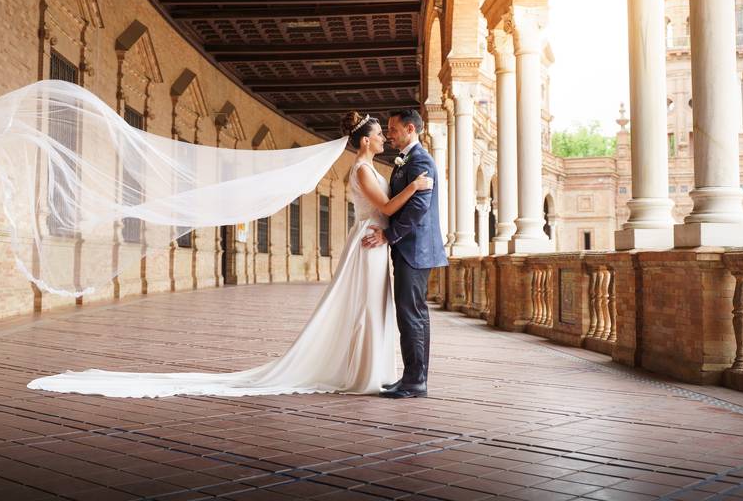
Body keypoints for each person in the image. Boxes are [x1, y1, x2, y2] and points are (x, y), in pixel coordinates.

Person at [27, 111, 432, 397]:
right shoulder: (363, 168)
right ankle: (364, 372)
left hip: (374, 240)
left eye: (388, 132)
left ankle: (373, 371)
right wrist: (415, 187)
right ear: (366, 140)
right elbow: (389, 207)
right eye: (381, 134)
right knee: (363, 308)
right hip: (370, 241)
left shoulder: (367, 165)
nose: (385, 137)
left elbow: (386, 208)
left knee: (370, 309)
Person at [362, 109, 449, 399]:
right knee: (412, 315)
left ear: (410, 128)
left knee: (411, 315)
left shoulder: (421, 160)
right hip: (409, 249)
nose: (389, 134)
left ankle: (415, 381)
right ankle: (412, 377)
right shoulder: (407, 161)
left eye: (393, 129)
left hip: (416, 249)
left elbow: (418, 208)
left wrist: (389, 235)